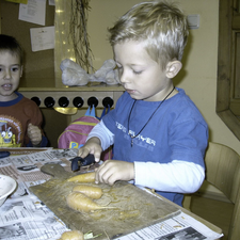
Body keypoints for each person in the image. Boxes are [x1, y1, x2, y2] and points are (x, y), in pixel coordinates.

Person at [78, 0, 208, 206]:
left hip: (158, 211)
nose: (123, 78)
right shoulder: (129, 99)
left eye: (136, 70)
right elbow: (107, 127)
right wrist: (95, 141)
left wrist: (133, 170)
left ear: (171, 69)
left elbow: (191, 177)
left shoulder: (185, 117)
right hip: (120, 199)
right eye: (120, 67)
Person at [0, 34, 48, 147]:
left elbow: (39, 146)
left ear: (21, 71)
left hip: (17, 163)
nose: (8, 76)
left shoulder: (30, 108)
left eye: (14, 69)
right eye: (0, 69)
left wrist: (38, 140)